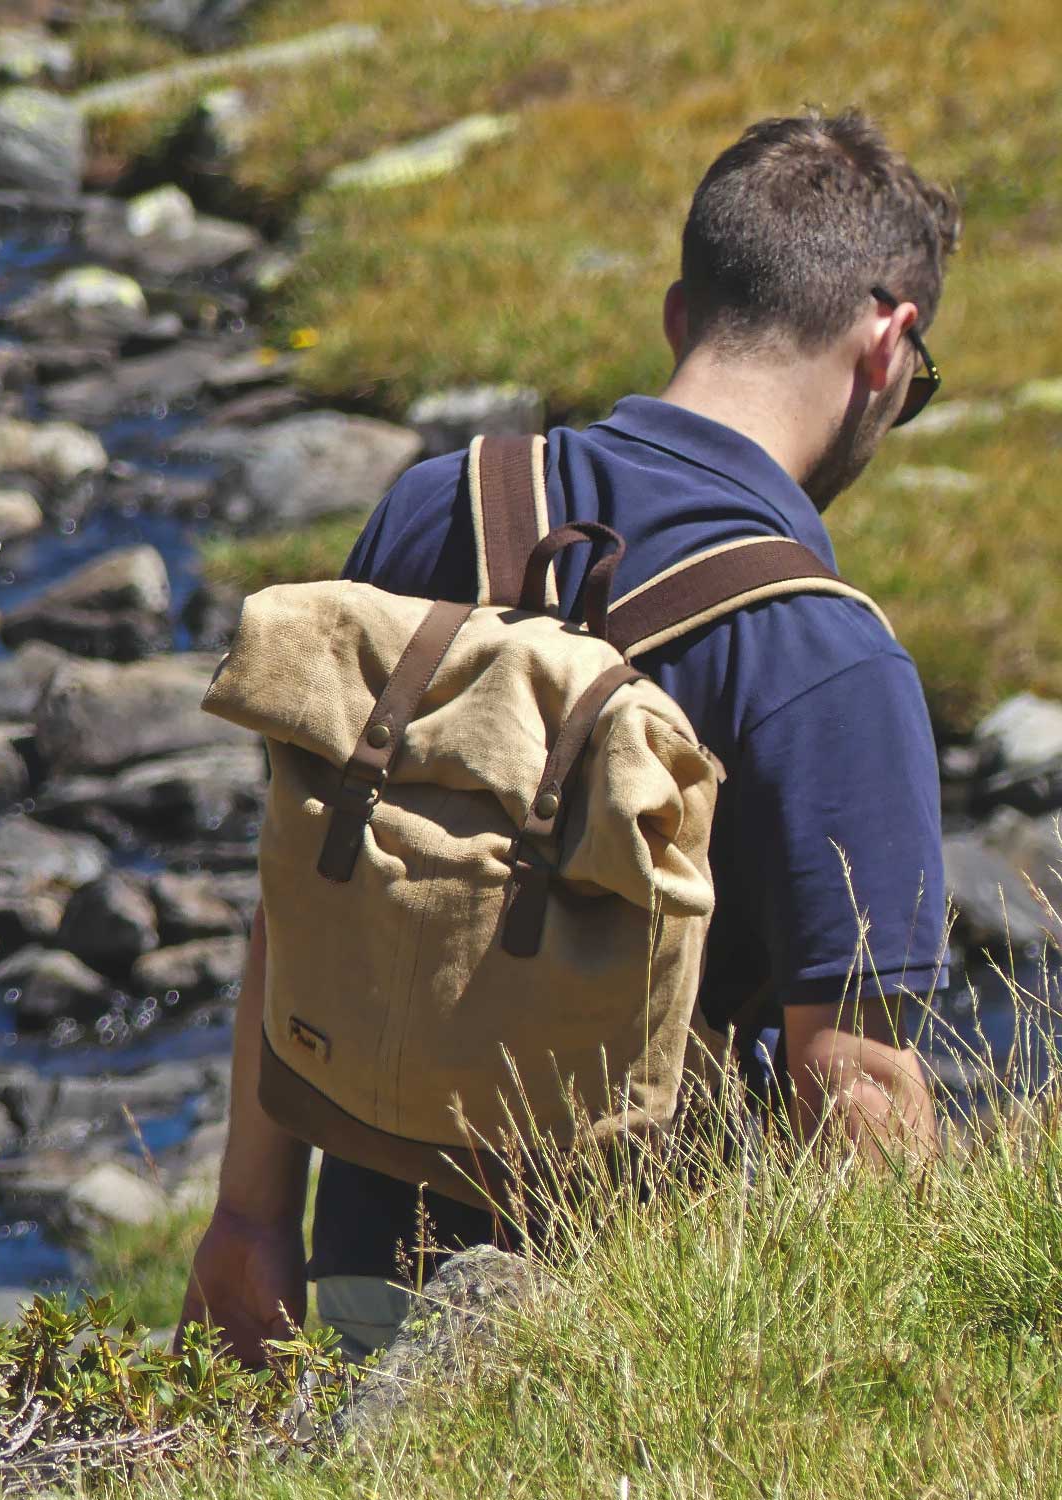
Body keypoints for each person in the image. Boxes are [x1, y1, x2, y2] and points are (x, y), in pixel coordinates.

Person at [180, 110, 960, 1366]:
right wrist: (924, 1367)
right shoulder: (829, 656)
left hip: (372, 1274)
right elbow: (851, 1082)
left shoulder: (441, 507)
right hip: (647, 1327)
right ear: (886, 343)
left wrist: (245, 1221)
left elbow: (303, 890)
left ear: (677, 314)